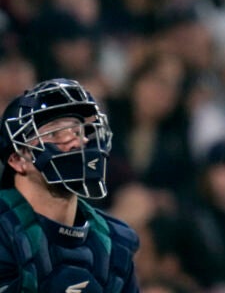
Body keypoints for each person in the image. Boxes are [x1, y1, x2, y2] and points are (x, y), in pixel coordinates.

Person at [0, 78, 139, 291]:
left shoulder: (114, 244)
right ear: (18, 159)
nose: (76, 142)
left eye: (78, 131)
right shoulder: (5, 233)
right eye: (55, 134)